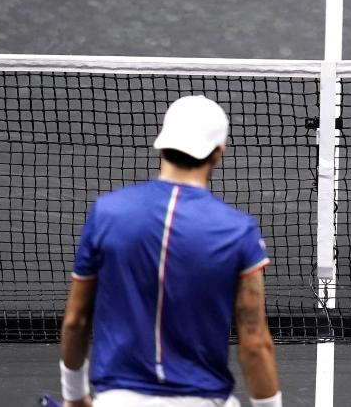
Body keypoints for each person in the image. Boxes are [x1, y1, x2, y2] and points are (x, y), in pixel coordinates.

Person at [58, 95, 282, 407]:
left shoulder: (106, 213)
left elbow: (76, 321)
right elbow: (255, 344)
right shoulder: (238, 231)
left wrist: (74, 396)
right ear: (218, 153)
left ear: (161, 146)